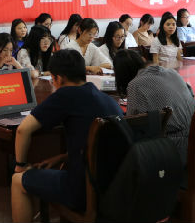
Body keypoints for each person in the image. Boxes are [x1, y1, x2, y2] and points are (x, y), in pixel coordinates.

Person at [10, 49, 123, 222]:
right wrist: (63, 157)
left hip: (83, 190)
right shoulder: (104, 98)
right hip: (114, 185)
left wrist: (20, 165)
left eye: (53, 79)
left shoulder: (65, 94)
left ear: (59, 78)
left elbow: (22, 130)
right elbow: (96, 144)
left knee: (18, 180)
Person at [113, 50, 195, 164]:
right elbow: (191, 96)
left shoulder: (135, 85)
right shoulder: (172, 72)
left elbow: (132, 124)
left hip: (171, 152)